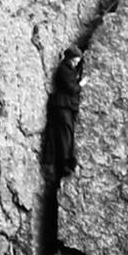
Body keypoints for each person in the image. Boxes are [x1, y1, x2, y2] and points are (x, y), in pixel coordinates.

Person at [46, 46, 84, 176]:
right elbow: (71, 88)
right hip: (62, 106)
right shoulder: (64, 69)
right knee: (64, 136)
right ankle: (64, 164)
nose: (75, 64)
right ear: (69, 59)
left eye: (77, 62)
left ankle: (67, 162)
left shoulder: (68, 69)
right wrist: (81, 84)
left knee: (68, 135)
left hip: (66, 106)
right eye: (75, 61)